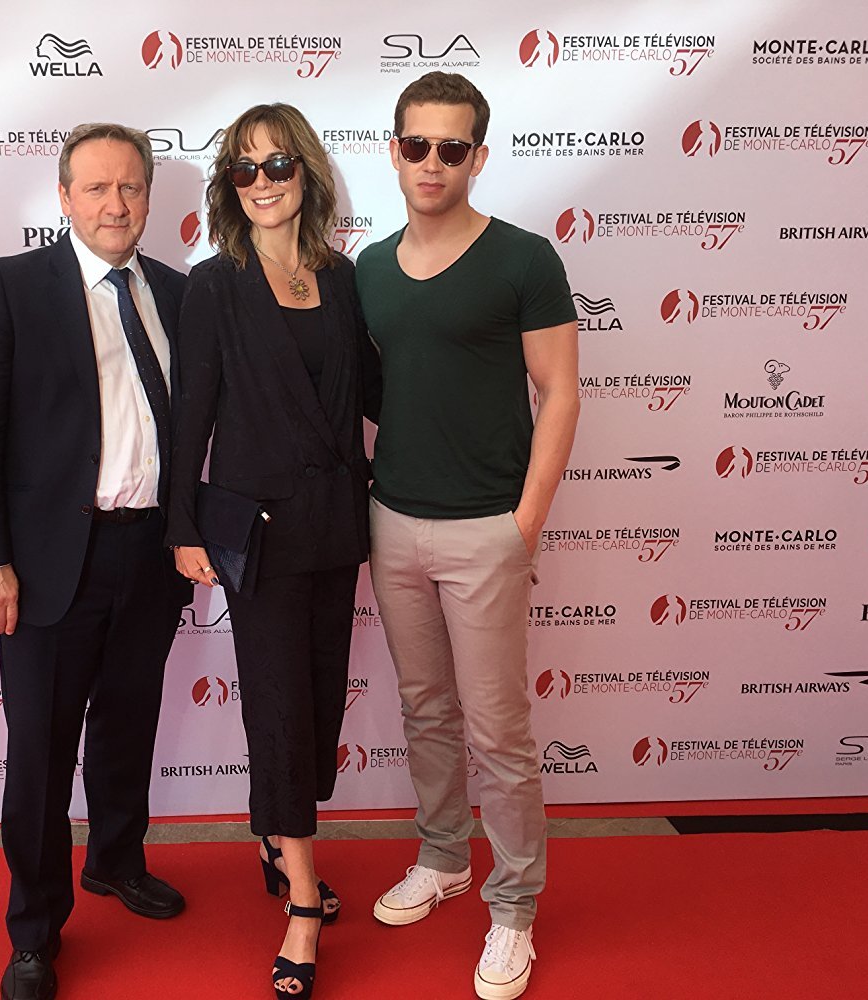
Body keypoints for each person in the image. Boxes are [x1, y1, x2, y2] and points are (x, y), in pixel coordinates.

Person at [0, 122, 193, 1000]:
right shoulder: (11, 287)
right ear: (63, 197)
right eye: (96, 187)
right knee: (41, 754)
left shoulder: (176, 292)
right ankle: (34, 930)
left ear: (148, 196)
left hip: (151, 553)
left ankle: (116, 860)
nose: (115, 204)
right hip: (50, 563)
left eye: (130, 187)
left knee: (128, 725)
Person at [356, 72, 580, 1000]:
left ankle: (513, 908)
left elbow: (559, 392)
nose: (432, 162)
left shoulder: (523, 259)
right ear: (394, 150)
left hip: (487, 527)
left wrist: (524, 523)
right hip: (391, 520)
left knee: (499, 731)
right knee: (424, 710)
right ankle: (444, 855)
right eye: (417, 144)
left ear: (478, 157)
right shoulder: (368, 268)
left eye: (452, 148)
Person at [164, 103, 380, 1000]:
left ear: (307, 175)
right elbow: (192, 416)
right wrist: (182, 526)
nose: (261, 182)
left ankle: (272, 836)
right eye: (243, 169)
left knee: (319, 704)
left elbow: (374, 394)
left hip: (335, 525)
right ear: (229, 186)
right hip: (256, 533)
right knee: (281, 709)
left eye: (278, 165)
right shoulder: (214, 285)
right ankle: (299, 902)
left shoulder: (343, 276)